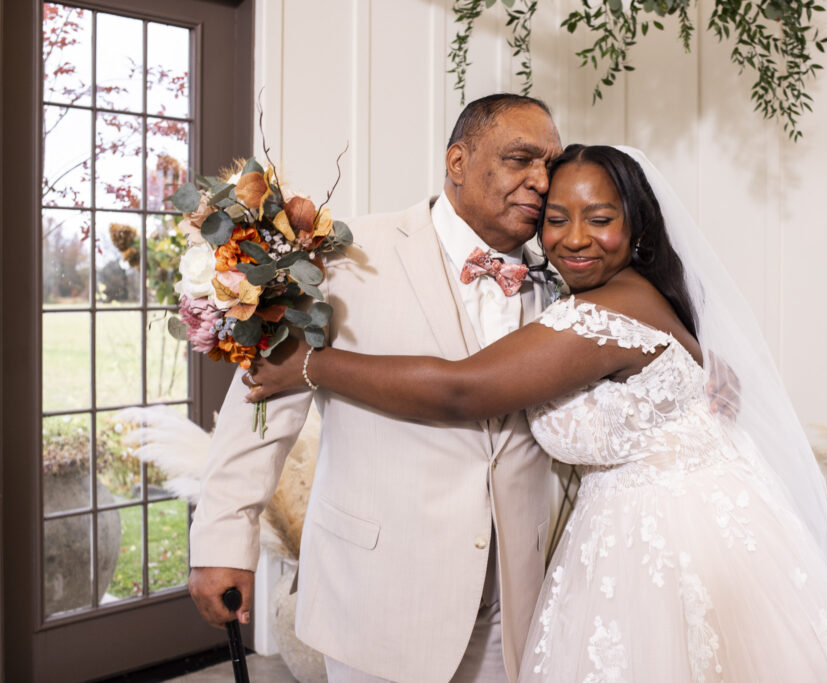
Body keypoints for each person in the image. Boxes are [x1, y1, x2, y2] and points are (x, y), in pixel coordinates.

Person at [245, 145, 827, 681]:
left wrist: (311, 365)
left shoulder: (609, 309)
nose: (575, 238)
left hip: (670, 540)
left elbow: (463, 389)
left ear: (636, 227)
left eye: (600, 217)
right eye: (557, 218)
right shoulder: (622, 294)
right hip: (635, 523)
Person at [189, 93, 563, 683]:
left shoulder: (562, 277)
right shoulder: (346, 255)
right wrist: (221, 543)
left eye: (551, 165)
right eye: (521, 159)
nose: (542, 181)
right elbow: (262, 399)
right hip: (378, 596)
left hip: (514, 600)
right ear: (458, 161)